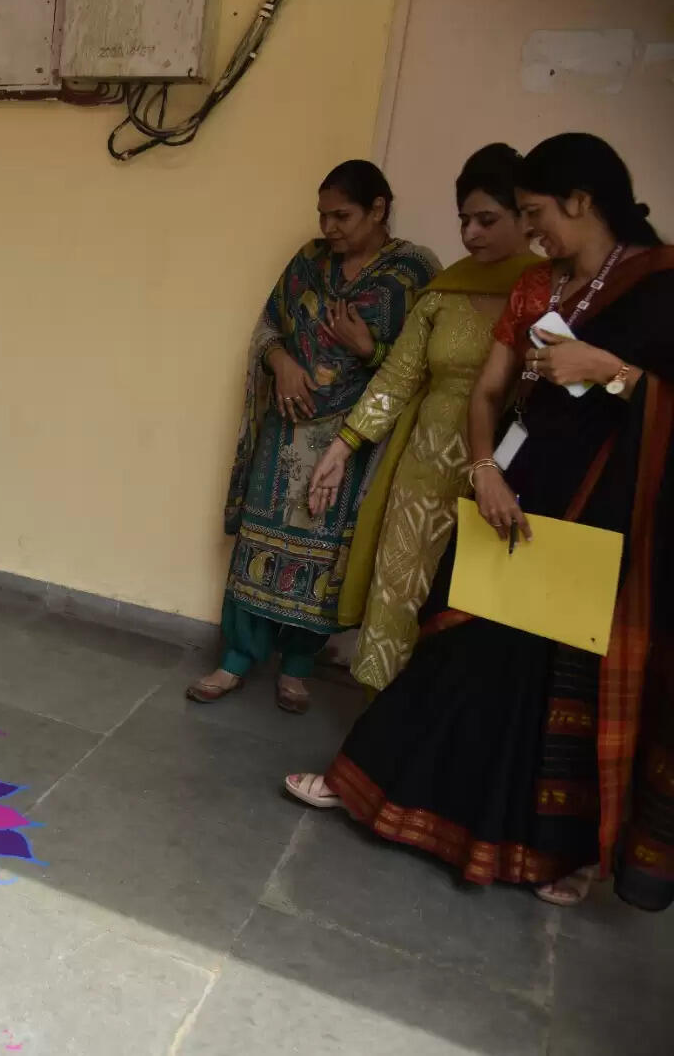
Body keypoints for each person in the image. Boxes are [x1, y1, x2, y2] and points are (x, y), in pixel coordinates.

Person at [284, 134, 673, 911]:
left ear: (581, 200)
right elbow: (485, 388)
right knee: (453, 638)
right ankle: (368, 782)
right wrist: (488, 467)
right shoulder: (546, 284)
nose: (531, 232)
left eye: (534, 213)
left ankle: (562, 853)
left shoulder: (661, 286)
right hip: (515, 491)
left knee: (559, 683)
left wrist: (614, 373)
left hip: (603, 517)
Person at [190, 161, 439, 712]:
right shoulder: (309, 260)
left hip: (350, 439)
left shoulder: (412, 273)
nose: (328, 227)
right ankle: (236, 659)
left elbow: (417, 365)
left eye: (341, 216)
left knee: (326, 553)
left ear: (378, 209)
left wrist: (367, 349)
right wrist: (280, 362)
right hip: (285, 429)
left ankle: (298, 666)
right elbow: (268, 326)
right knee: (259, 541)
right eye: (323, 215)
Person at [307, 144, 540, 691]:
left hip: (506, 475)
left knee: (470, 609)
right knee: (400, 594)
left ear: (527, 218)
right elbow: (399, 378)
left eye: (487, 220)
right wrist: (342, 448)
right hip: (423, 474)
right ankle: (378, 724)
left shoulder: (547, 292)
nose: (471, 234)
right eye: (464, 220)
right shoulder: (446, 290)